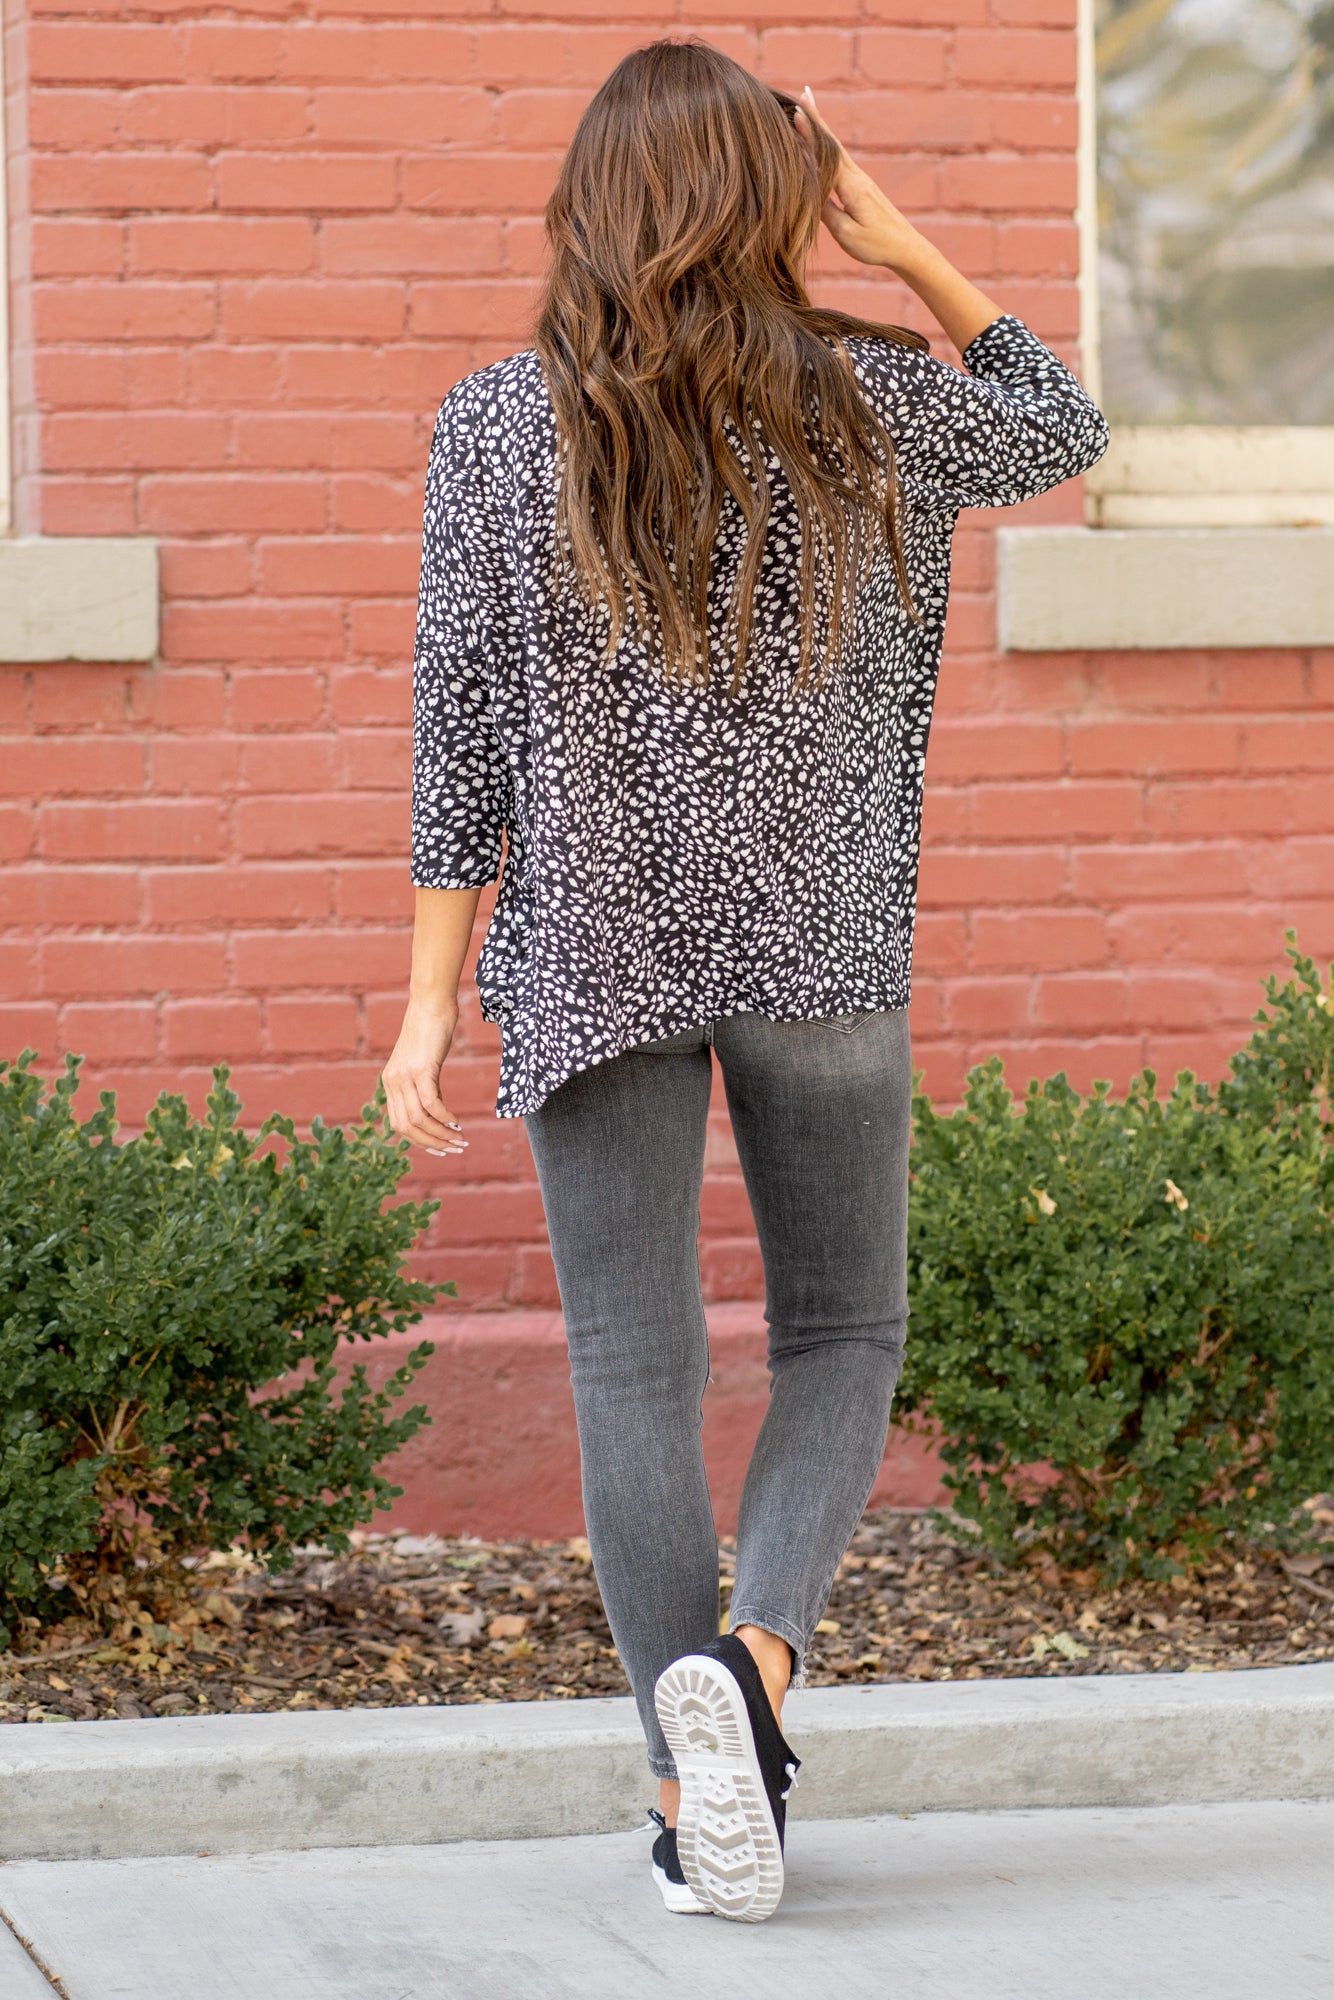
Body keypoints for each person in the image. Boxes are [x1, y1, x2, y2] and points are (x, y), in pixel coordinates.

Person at [385, 39, 1108, 1925]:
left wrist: (422, 1010)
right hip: (821, 934)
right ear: (775, 206)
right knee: (839, 1338)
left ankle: (675, 1768)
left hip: (591, 947)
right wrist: (901, 245)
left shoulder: (493, 423)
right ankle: (757, 1680)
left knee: (635, 1364)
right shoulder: (875, 405)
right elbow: (1059, 425)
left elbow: (457, 738)